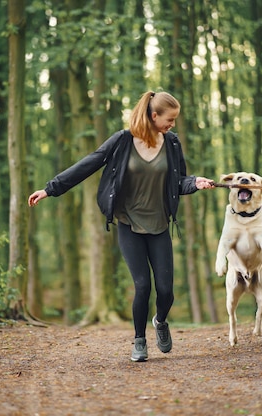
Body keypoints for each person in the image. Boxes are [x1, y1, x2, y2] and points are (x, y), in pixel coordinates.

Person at [28, 91, 215, 362]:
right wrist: (50, 189)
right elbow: (88, 164)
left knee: (165, 290)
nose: (172, 125)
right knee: (142, 285)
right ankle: (139, 341)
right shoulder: (123, 140)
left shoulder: (172, 143)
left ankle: (160, 322)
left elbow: (179, 181)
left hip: (159, 224)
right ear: (154, 115)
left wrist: (195, 182)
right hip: (129, 223)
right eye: (169, 119)